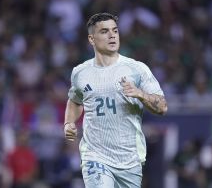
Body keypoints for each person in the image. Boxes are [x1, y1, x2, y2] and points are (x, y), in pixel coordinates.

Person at [63, 12, 168, 188]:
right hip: (95, 156)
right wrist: (68, 123)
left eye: (115, 31)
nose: (112, 35)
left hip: (129, 159)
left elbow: (163, 107)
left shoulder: (137, 69)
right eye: (104, 31)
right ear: (91, 39)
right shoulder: (80, 73)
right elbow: (74, 100)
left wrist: (141, 94)